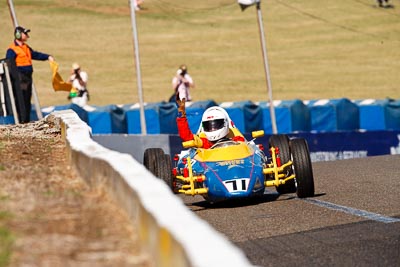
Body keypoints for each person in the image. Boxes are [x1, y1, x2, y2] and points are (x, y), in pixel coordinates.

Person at [6, 26, 54, 123]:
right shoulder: (12, 49)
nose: (27, 36)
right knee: (21, 100)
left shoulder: (25, 47)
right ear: (18, 35)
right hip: (19, 77)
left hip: (27, 77)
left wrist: (47, 57)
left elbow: (35, 55)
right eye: (25, 33)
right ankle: (21, 121)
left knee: (27, 99)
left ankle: (26, 120)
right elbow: (9, 64)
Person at [176, 98, 245, 149]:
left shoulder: (237, 140)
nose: (212, 129)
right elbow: (187, 137)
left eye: (216, 125)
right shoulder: (205, 143)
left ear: (225, 124)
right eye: (208, 126)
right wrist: (181, 117)